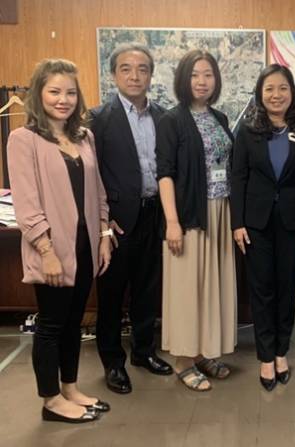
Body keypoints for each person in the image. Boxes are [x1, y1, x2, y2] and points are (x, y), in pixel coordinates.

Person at [7, 59, 112, 423]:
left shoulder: (85, 137)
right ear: (39, 94)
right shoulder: (23, 140)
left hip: (85, 246)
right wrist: (46, 251)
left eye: (70, 92)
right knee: (51, 325)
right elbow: (26, 204)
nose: (63, 100)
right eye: (54, 91)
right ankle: (51, 401)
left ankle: (70, 387)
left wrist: (104, 236)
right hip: (52, 249)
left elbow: (98, 192)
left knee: (73, 322)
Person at [231, 64, 295, 391]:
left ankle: (281, 351)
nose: (276, 95)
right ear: (260, 93)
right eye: (269, 88)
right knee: (262, 290)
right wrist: (237, 223)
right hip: (255, 224)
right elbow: (238, 178)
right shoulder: (247, 131)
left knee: (287, 289)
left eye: (283, 88)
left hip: (293, 224)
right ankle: (265, 356)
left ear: (292, 92)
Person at [89, 43, 172, 395]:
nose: (134, 76)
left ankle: (143, 351)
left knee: (147, 290)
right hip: (118, 221)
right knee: (111, 295)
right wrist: (104, 221)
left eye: (142, 69)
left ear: (151, 75)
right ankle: (112, 361)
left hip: (154, 215)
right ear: (113, 75)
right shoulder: (97, 119)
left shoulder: (163, 117)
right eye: (126, 68)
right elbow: (92, 176)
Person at [157, 49, 236, 392]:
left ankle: (202, 352)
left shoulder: (220, 118)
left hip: (220, 212)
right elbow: (165, 174)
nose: (202, 81)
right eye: (194, 74)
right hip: (190, 214)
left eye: (208, 74)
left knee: (211, 287)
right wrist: (172, 222)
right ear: (183, 79)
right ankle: (183, 360)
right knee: (187, 289)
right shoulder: (171, 120)